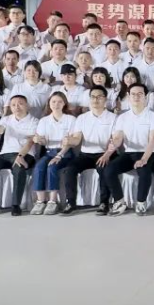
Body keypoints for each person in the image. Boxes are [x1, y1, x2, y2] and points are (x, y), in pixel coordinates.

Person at [104, 83, 154, 216]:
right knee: (109, 170)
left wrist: (144, 159)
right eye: (133, 94)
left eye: (140, 94)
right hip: (129, 153)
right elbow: (118, 137)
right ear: (128, 96)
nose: (136, 97)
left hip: (149, 153)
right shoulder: (122, 117)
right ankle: (120, 201)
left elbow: (153, 140)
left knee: (144, 170)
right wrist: (114, 144)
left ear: (145, 97)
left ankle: (141, 202)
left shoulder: (153, 116)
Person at [62, 85, 118, 215]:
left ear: (105, 99)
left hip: (106, 154)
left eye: (99, 97)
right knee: (69, 169)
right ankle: (71, 202)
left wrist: (107, 154)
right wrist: (69, 141)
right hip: (86, 154)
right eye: (93, 97)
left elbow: (115, 140)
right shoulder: (82, 118)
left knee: (103, 168)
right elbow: (77, 139)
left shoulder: (113, 117)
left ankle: (104, 202)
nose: (95, 100)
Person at [0, 95, 38, 216]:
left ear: (27, 106)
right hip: (5, 153)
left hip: (25, 153)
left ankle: (16, 205)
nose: (17, 107)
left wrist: (20, 156)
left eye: (20, 104)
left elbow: (30, 142)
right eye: (13, 105)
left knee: (18, 168)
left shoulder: (34, 121)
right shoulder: (6, 119)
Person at [29, 92, 77, 215]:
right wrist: (38, 140)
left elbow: (70, 142)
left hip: (65, 152)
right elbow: (43, 141)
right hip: (49, 152)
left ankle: (53, 201)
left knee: (52, 167)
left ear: (64, 103)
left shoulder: (70, 119)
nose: (56, 104)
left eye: (60, 102)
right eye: (53, 102)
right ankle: (40, 201)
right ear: (49, 104)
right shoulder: (44, 120)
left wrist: (59, 155)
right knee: (39, 167)